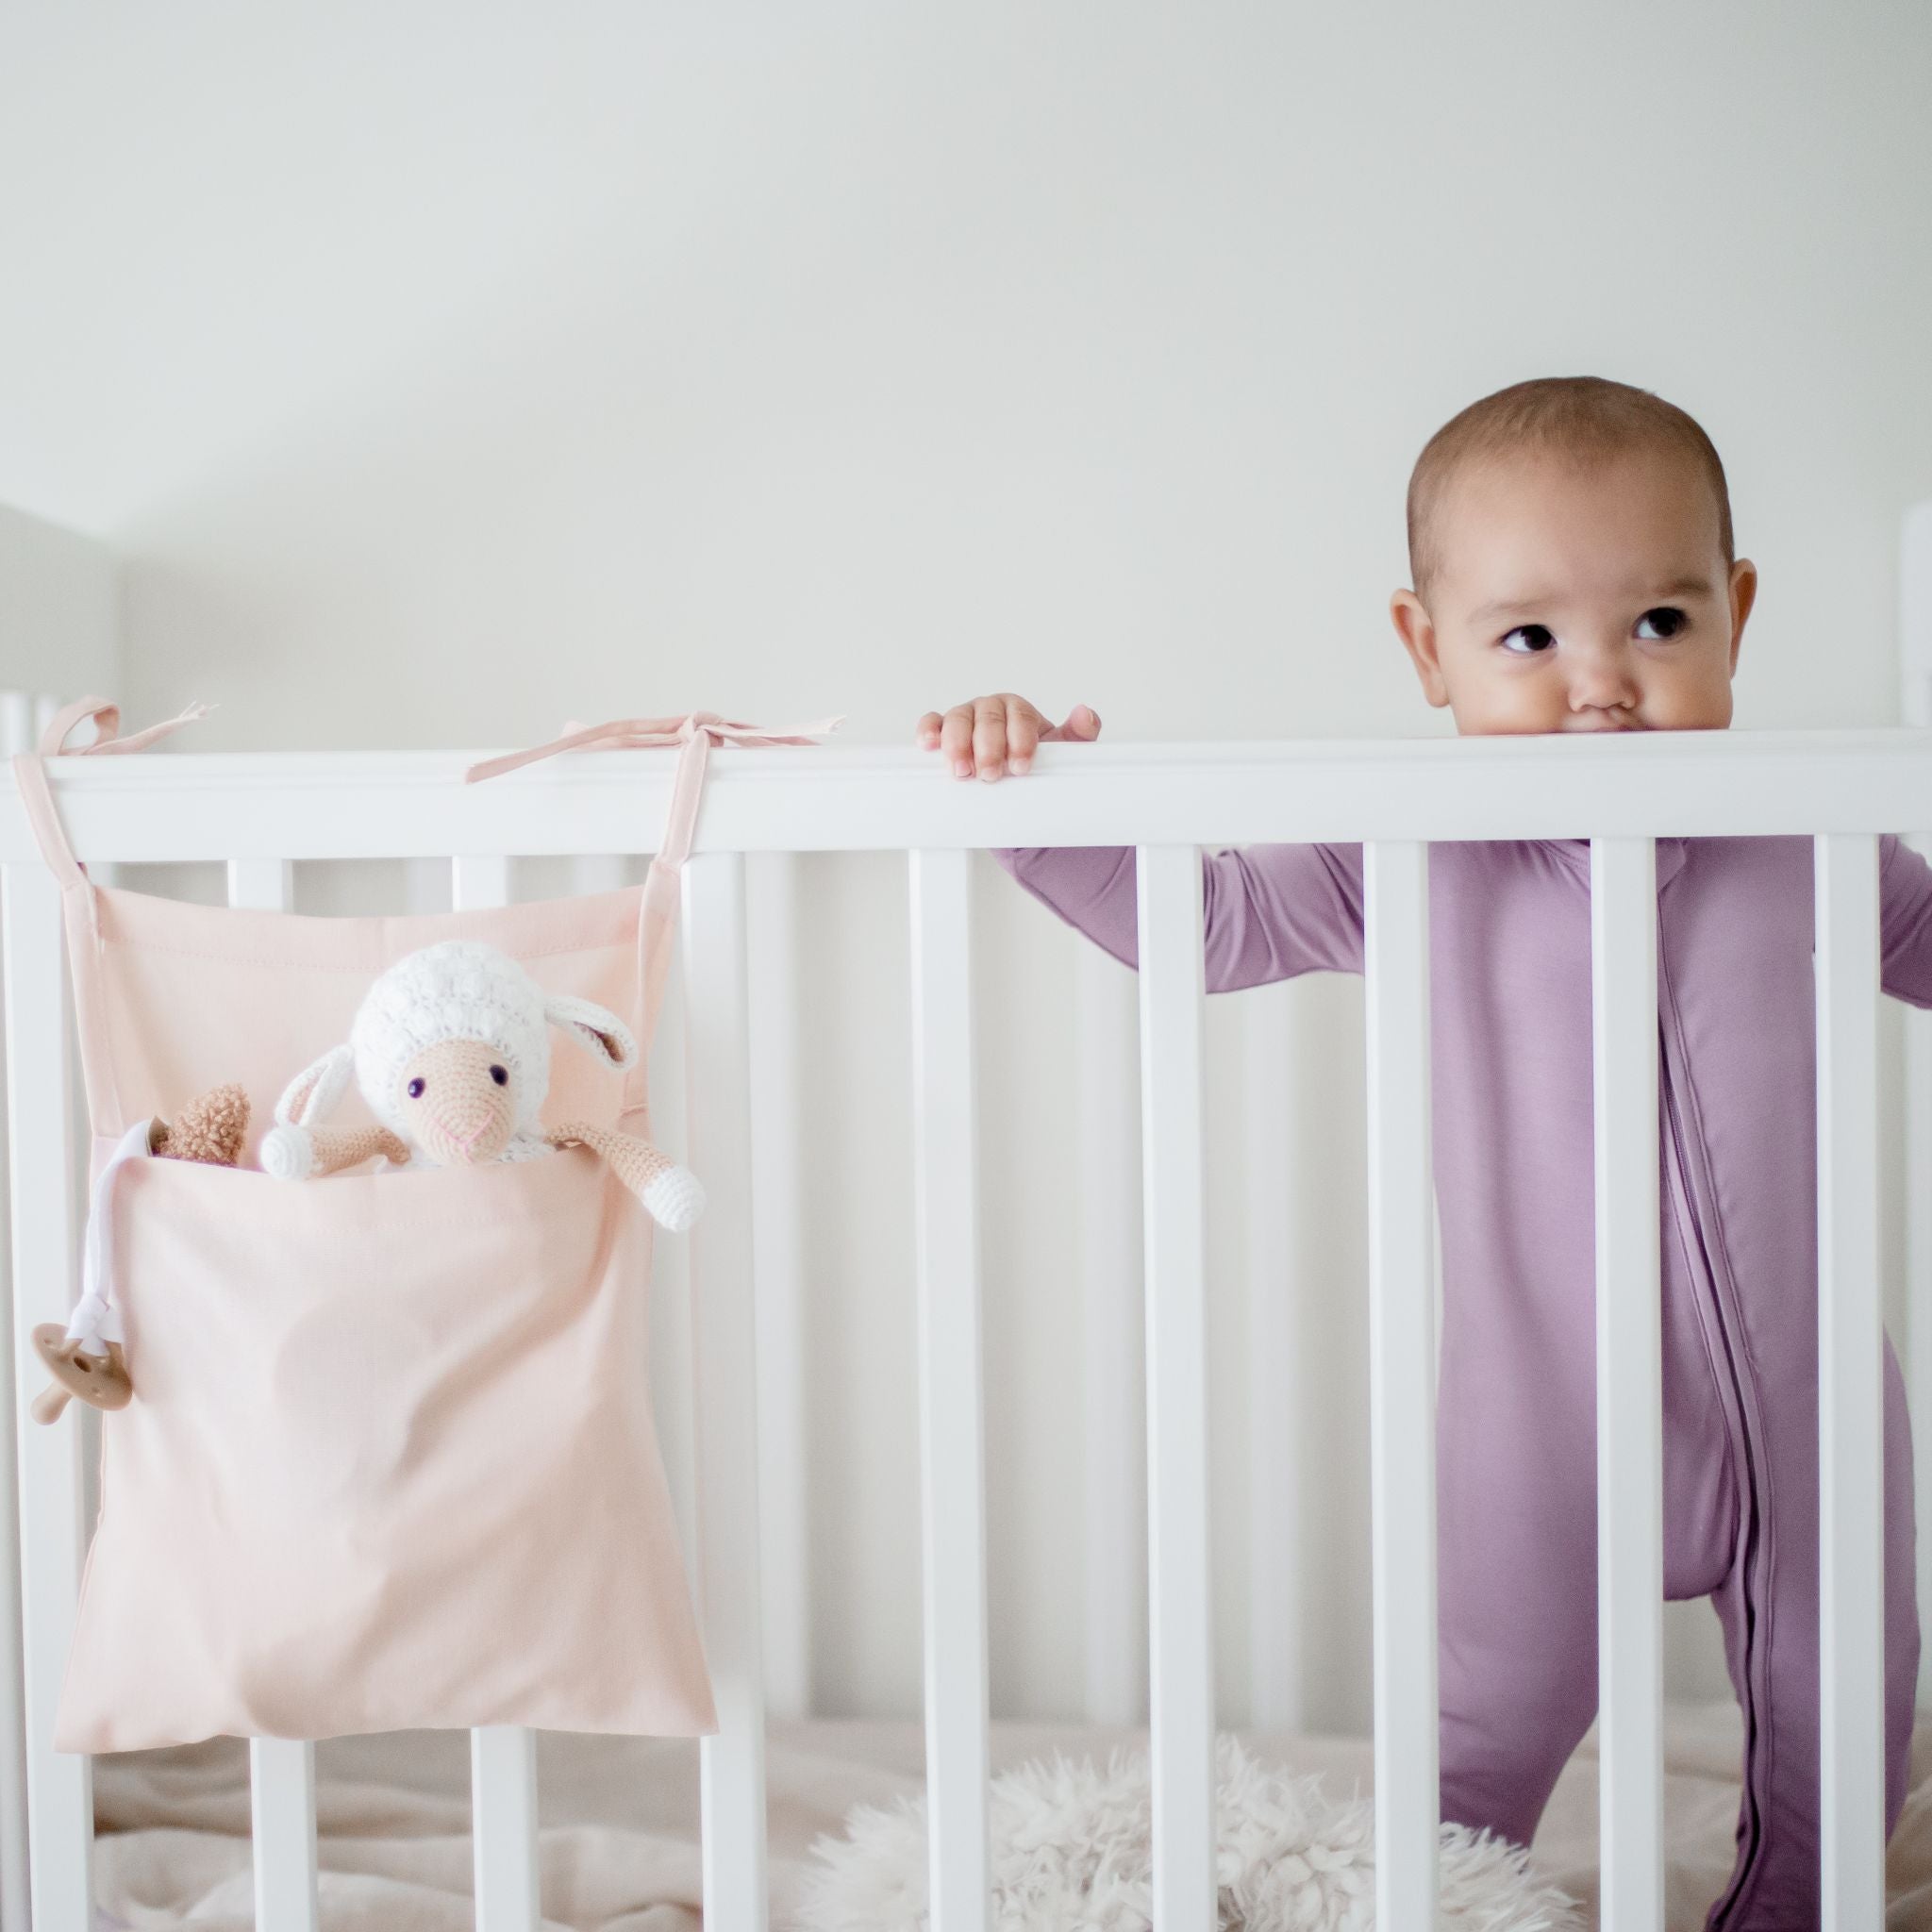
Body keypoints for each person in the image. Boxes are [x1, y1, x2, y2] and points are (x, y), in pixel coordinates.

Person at [916, 375, 1925, 1931]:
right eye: (1529, 637)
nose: (1601, 683)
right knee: (1480, 1740)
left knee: (1843, 1735)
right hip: (1540, 1422)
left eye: (1658, 622)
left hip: (1813, 1412)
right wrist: (1040, 798)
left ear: (1734, 612)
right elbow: (1205, 924)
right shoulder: (1419, 851)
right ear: (1426, 650)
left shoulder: (1818, 839)